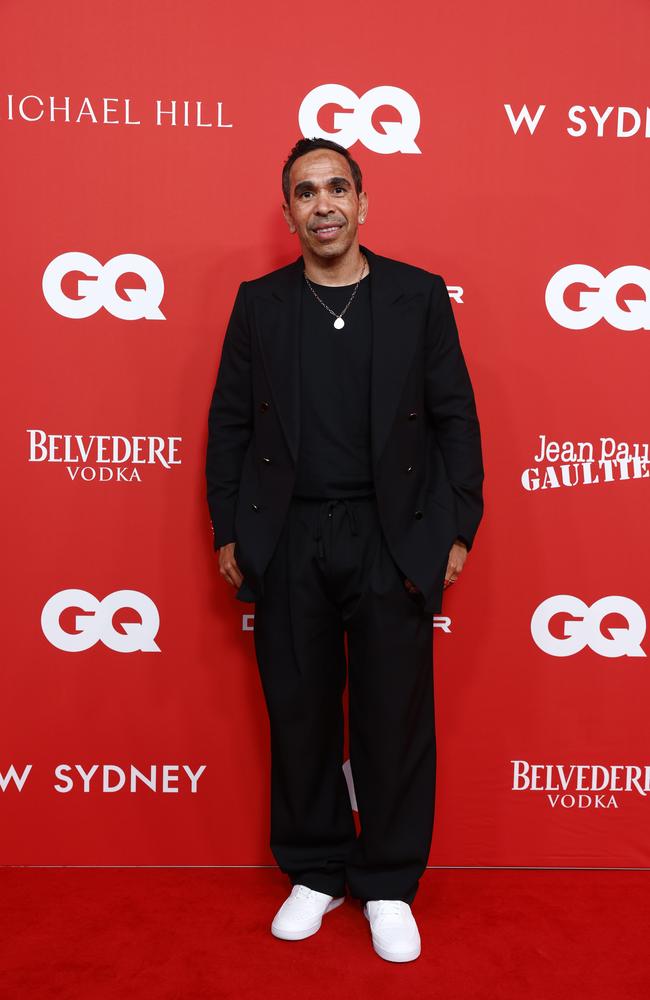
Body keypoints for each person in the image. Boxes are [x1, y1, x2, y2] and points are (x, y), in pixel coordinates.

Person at [205, 136, 484, 963]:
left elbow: (455, 419)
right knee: (298, 710)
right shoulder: (260, 303)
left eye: (336, 188)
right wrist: (229, 528)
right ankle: (317, 870)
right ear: (288, 212)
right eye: (304, 192)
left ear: (363, 203)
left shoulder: (417, 297)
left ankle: (390, 881)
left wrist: (456, 527)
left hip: (392, 535)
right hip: (288, 534)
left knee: (393, 716)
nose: (321, 204)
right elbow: (227, 425)